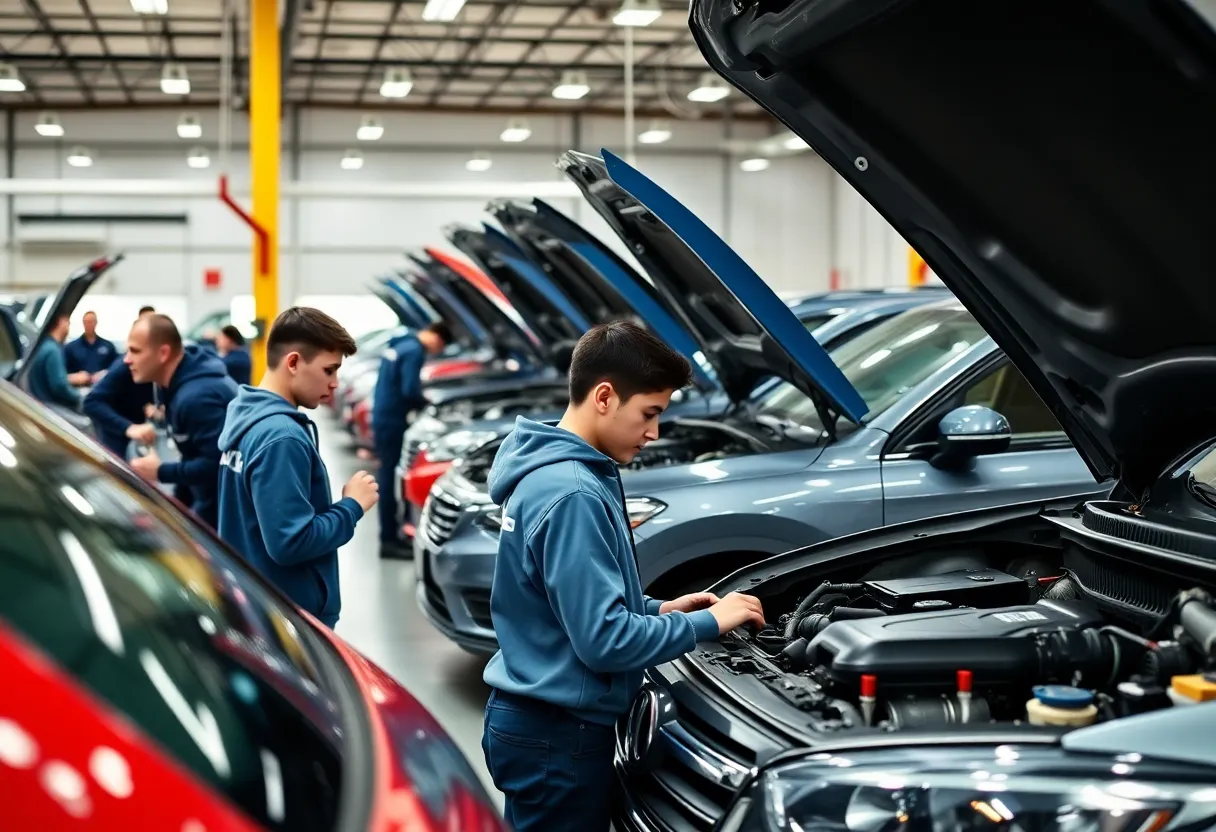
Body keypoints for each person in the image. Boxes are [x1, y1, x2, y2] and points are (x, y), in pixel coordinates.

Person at [481, 321, 766, 832]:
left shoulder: (554, 472)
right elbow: (604, 641)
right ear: (606, 396)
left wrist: (658, 609)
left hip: (537, 716)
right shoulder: (572, 493)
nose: (655, 432)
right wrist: (710, 623)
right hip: (558, 734)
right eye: (650, 414)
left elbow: (561, 601)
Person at [217, 307, 377, 629]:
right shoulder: (280, 437)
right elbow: (291, 542)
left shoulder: (246, 417)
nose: (334, 383)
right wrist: (351, 507)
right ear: (293, 363)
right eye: (328, 370)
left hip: (255, 604)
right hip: (288, 620)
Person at [125, 314, 237, 528]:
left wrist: (161, 471)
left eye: (135, 351)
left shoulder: (196, 398)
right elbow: (191, 455)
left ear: (163, 353)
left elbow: (219, 468)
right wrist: (173, 511)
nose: (126, 359)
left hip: (224, 520)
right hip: (208, 504)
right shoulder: (177, 386)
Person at [371, 320, 452, 559]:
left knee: (388, 476)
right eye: (441, 347)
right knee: (389, 479)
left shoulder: (401, 344)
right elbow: (409, 390)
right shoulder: (415, 351)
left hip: (383, 416)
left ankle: (393, 534)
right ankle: (389, 540)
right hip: (393, 421)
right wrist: (427, 404)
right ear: (437, 337)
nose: (436, 352)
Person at [83, 309, 159, 456]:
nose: (128, 358)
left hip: (137, 426)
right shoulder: (125, 367)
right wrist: (128, 427)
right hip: (116, 434)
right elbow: (91, 402)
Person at [27, 314, 83, 409]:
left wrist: (71, 378)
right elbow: (59, 385)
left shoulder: (43, 345)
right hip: (50, 405)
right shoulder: (53, 351)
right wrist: (80, 397)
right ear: (61, 322)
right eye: (68, 322)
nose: (69, 326)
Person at [63, 310, 117, 385]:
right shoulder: (70, 347)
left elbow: (115, 367)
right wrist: (76, 377)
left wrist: (104, 374)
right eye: (87, 322)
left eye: (91, 321)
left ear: (96, 323)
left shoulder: (108, 346)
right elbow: (62, 373)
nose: (89, 325)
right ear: (83, 323)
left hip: (102, 385)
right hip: (78, 387)